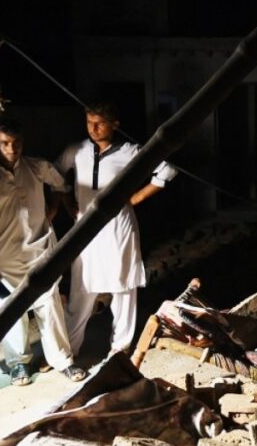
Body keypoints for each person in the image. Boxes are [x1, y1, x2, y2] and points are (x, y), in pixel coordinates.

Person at [55, 102, 175, 358]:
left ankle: (119, 350)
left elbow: (167, 169)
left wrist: (136, 198)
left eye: (99, 123)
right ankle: (68, 350)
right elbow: (55, 175)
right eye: (89, 122)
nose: (94, 128)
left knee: (123, 289)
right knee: (81, 289)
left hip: (118, 229)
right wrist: (66, 200)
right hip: (86, 229)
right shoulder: (76, 150)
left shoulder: (131, 151)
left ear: (114, 124)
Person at [0, 118, 88, 386]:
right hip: (5, 255)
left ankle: (63, 360)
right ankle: (19, 364)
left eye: (16, 142)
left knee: (49, 306)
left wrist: (54, 208)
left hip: (40, 249)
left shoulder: (37, 166)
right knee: (11, 310)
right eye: (5, 143)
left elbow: (61, 184)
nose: (12, 148)